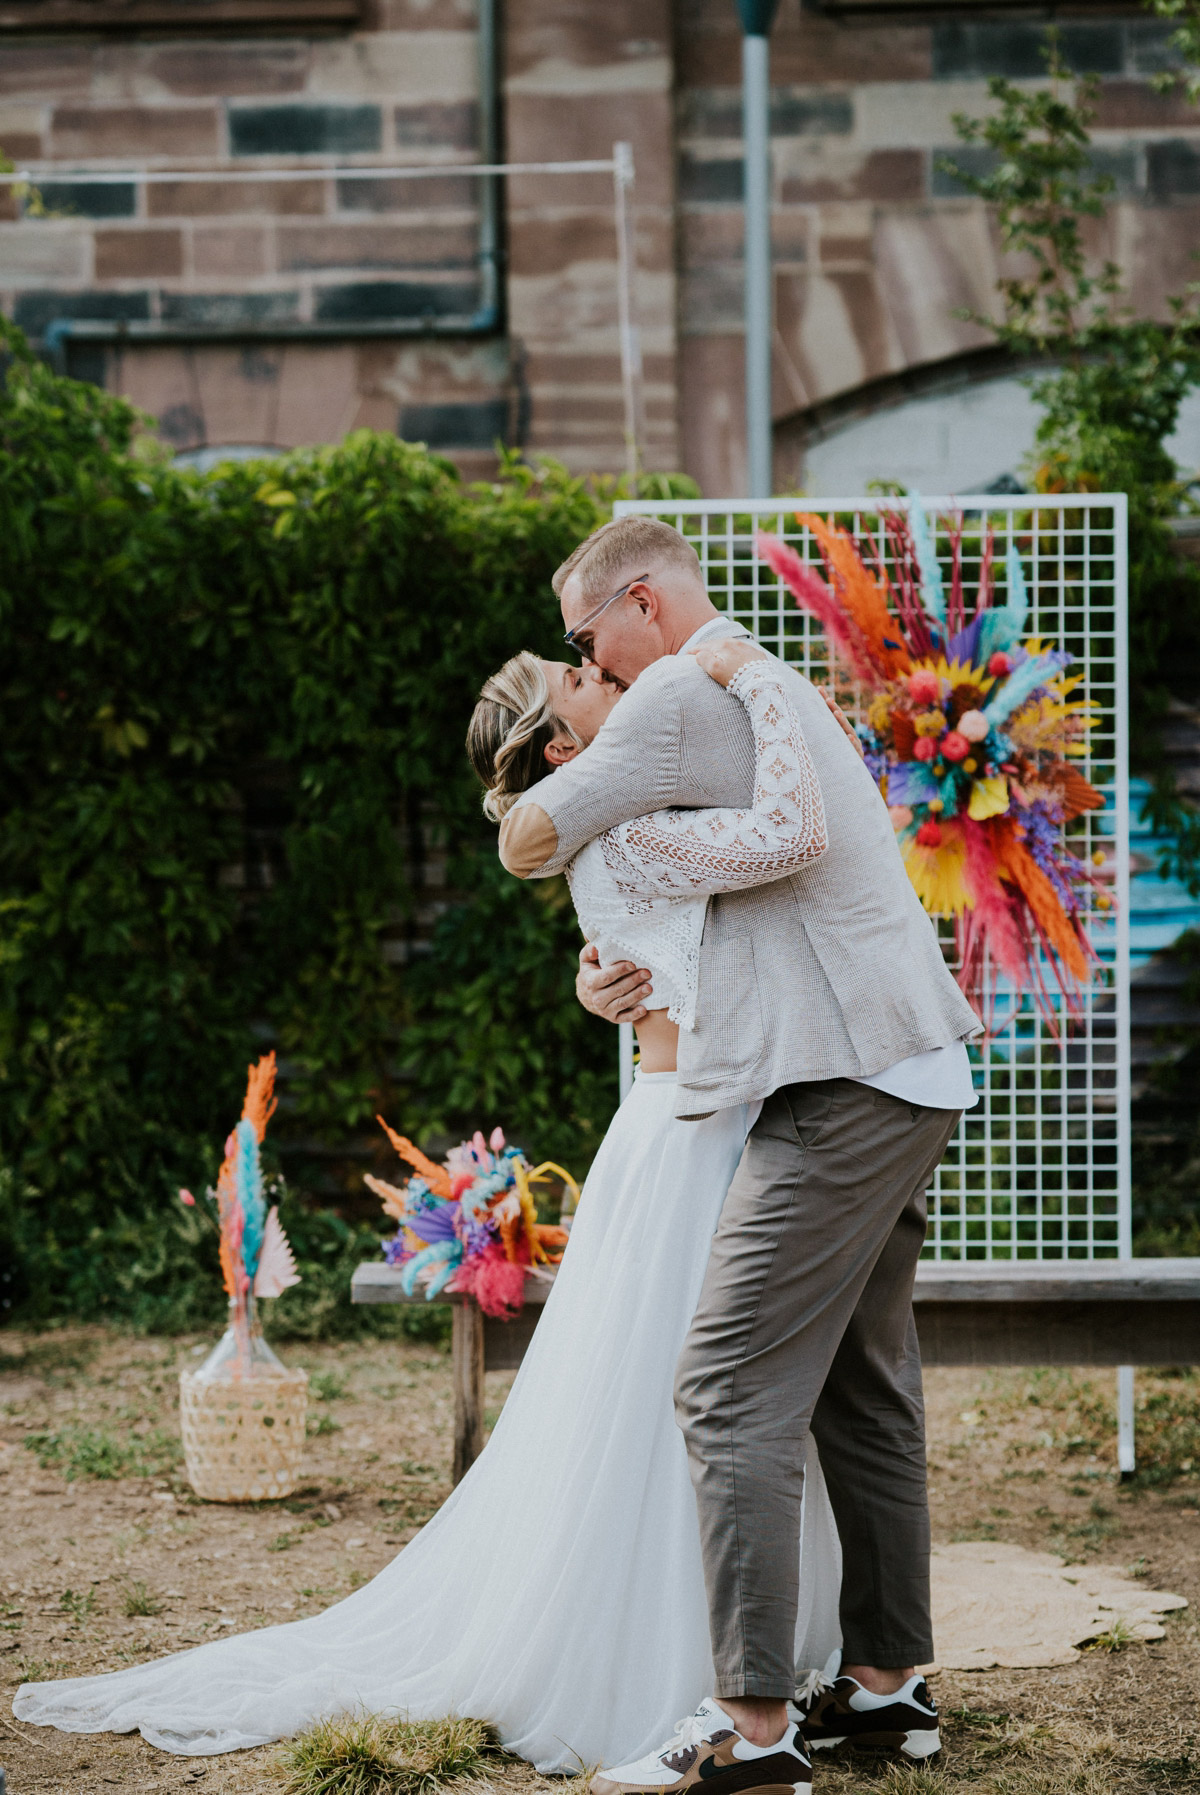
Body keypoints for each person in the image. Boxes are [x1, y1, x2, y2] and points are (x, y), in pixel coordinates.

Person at [11, 634, 846, 1774]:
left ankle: (758, 1657)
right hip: (699, 1134)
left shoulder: (608, 821)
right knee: (697, 1400)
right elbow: (776, 859)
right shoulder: (624, 825)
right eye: (589, 680)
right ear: (564, 740)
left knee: (714, 1396)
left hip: (704, 1125)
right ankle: (681, 1666)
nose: (612, 679)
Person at [497, 515, 982, 1795]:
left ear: (641, 604)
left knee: (722, 1385)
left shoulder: (674, 692)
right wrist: (619, 970)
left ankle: (750, 1730)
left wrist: (548, 826)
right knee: (861, 1388)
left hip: (845, 1081)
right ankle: (887, 1693)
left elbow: (531, 828)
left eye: (582, 634)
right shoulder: (739, 682)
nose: (578, 656)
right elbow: (736, 908)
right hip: (906, 1062)